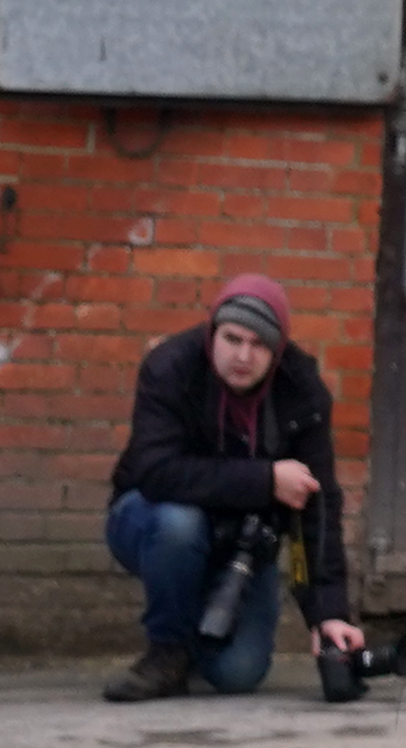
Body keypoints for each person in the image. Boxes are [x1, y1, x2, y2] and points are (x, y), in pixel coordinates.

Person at [103, 274, 367, 700]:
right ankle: (167, 654)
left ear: (278, 350)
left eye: (259, 344)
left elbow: (316, 505)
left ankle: (196, 640)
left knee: (238, 674)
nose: (243, 355)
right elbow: (154, 471)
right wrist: (265, 481)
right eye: (232, 338)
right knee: (178, 524)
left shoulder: (301, 391)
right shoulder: (171, 368)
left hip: (239, 544)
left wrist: (329, 614)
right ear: (212, 333)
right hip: (149, 521)